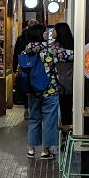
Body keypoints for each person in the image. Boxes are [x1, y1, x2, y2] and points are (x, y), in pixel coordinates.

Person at [18, 23, 66, 159]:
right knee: (49, 121)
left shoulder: (25, 52)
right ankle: (46, 150)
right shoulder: (50, 50)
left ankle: (31, 150)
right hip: (49, 90)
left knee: (34, 119)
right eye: (45, 32)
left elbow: (20, 70)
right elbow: (69, 55)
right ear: (39, 34)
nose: (46, 34)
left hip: (32, 91)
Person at [54, 22, 75, 130]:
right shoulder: (73, 45)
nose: (53, 32)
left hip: (59, 83)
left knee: (62, 109)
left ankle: (63, 132)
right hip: (71, 82)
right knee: (69, 109)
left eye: (54, 30)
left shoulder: (55, 47)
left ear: (59, 32)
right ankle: (68, 130)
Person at [12, 24, 33, 118]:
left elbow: (16, 53)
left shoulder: (21, 38)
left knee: (25, 86)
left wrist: (14, 68)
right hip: (34, 67)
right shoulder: (36, 39)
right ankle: (32, 108)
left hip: (23, 66)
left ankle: (27, 108)